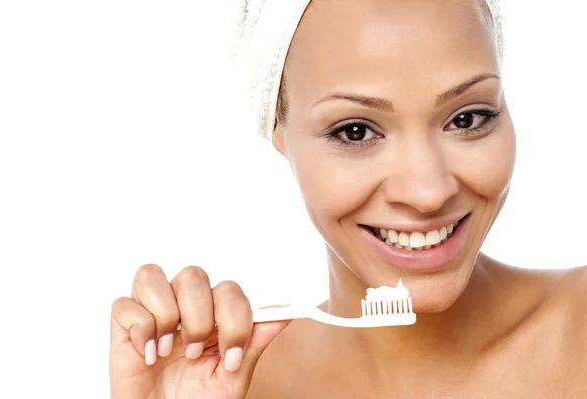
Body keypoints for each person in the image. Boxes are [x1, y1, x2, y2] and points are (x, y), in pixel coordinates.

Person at [109, 0, 587, 397]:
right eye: (355, 131)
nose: (427, 192)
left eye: (467, 118)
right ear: (278, 130)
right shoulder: (233, 380)